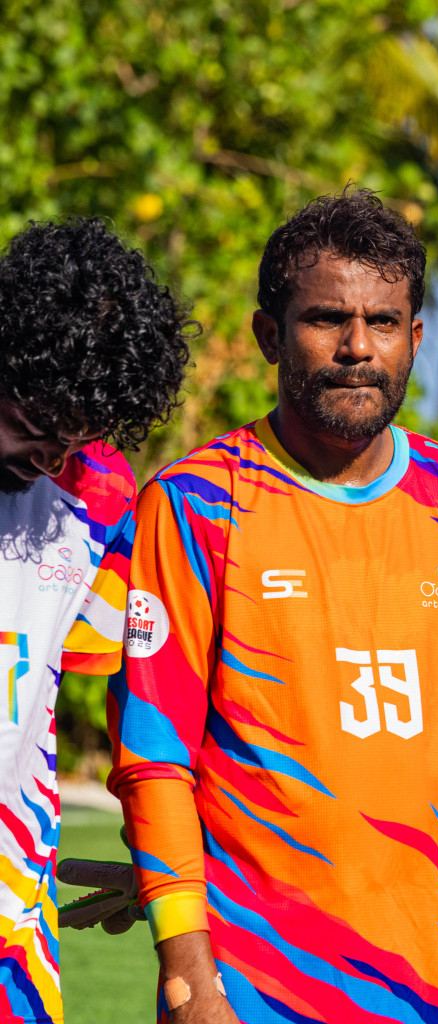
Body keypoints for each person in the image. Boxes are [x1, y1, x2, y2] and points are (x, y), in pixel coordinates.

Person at [104, 190, 438, 1023]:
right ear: (270, 335)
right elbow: (153, 753)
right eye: (327, 319)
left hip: (426, 980)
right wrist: (188, 968)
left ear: (414, 336)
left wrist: (352, 828)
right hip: (242, 985)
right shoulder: (194, 504)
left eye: (384, 322)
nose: (358, 347)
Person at [0, 218, 192, 1021]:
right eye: (34, 426)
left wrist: (164, 857)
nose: (50, 458)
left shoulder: (103, 498)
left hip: (11, 916)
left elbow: (144, 696)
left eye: (74, 438)